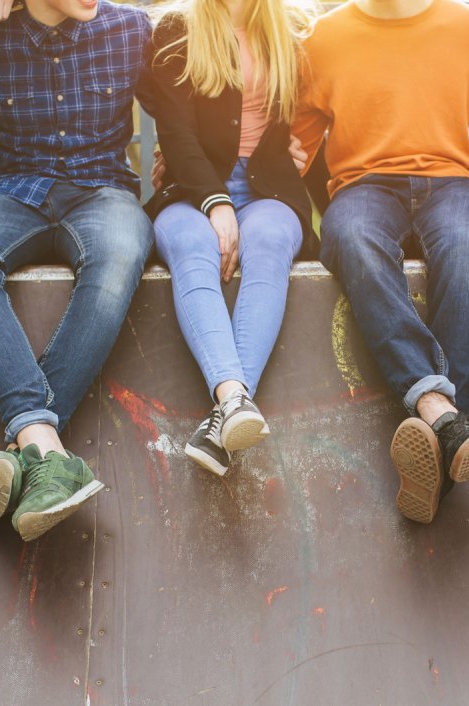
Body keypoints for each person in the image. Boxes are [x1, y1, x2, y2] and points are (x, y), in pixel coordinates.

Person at [0, 0, 156, 541]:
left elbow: (192, 87)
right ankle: (48, 449)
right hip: (13, 189)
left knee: (120, 254)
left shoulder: (130, 27)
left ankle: (24, 450)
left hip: (103, 190)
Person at [294, 0, 469, 524]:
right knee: (352, 238)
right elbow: (289, 143)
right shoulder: (322, 38)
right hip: (364, 186)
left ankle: (434, 444)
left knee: (465, 248)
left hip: (455, 181)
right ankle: (444, 418)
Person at [146, 0, 316, 476]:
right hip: (192, 184)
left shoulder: (293, 28)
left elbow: (330, 103)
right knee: (191, 245)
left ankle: (227, 413)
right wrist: (215, 202)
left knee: (269, 243)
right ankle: (233, 401)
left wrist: (303, 148)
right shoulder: (177, 29)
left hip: (268, 190)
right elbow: (175, 135)